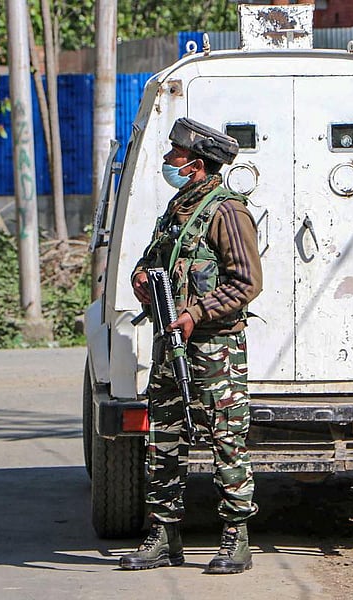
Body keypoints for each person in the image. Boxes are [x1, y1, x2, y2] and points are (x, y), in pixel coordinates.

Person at [119, 118, 263, 574]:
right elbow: (152, 259)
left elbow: (247, 283)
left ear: (196, 165)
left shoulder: (228, 213)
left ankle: (236, 539)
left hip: (213, 349)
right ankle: (164, 536)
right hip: (170, 345)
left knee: (225, 440)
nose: (166, 162)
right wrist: (141, 277)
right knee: (164, 440)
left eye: (173, 157)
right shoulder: (177, 210)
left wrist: (196, 314)